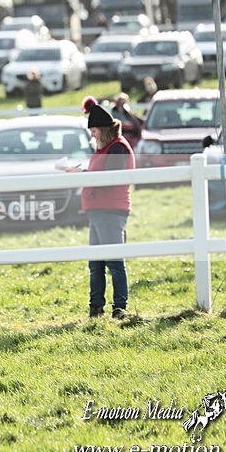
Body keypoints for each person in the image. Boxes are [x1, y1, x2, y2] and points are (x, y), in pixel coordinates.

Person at [65, 96, 135, 319]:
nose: (92, 135)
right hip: (98, 211)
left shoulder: (117, 149)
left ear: (103, 130)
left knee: (114, 261)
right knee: (96, 264)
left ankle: (120, 307)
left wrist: (83, 174)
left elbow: (109, 179)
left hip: (110, 210)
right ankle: (96, 307)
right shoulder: (105, 149)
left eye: (94, 130)